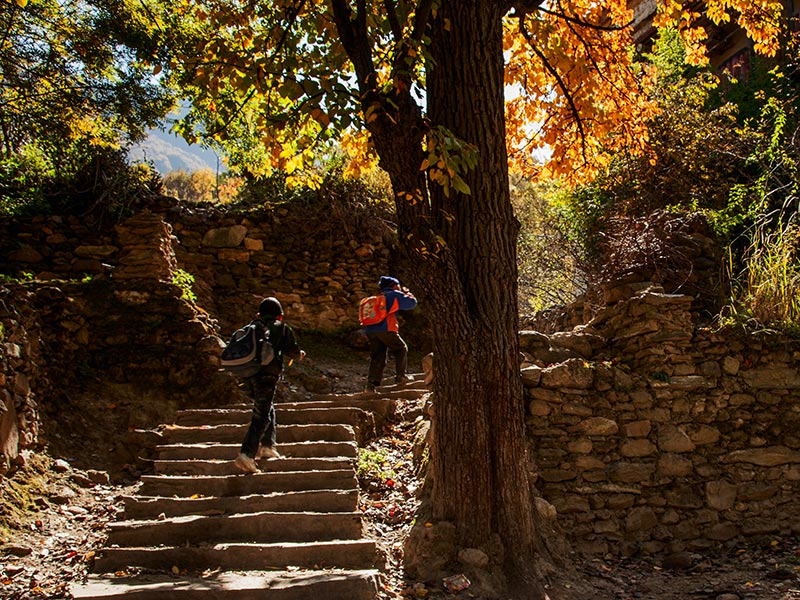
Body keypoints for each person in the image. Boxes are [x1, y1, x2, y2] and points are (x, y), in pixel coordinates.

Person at [234, 296, 305, 474]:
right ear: (280, 315)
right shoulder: (281, 328)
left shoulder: (251, 328)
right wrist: (299, 354)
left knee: (265, 406)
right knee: (262, 413)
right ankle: (247, 453)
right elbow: (292, 351)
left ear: (259, 314)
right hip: (267, 374)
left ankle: (267, 446)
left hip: (248, 374)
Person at [364, 275, 417, 391]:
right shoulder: (394, 294)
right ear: (394, 285)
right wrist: (408, 293)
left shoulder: (378, 297)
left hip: (371, 330)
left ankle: (370, 387)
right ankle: (400, 377)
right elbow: (412, 303)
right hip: (386, 328)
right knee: (401, 348)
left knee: (378, 356)